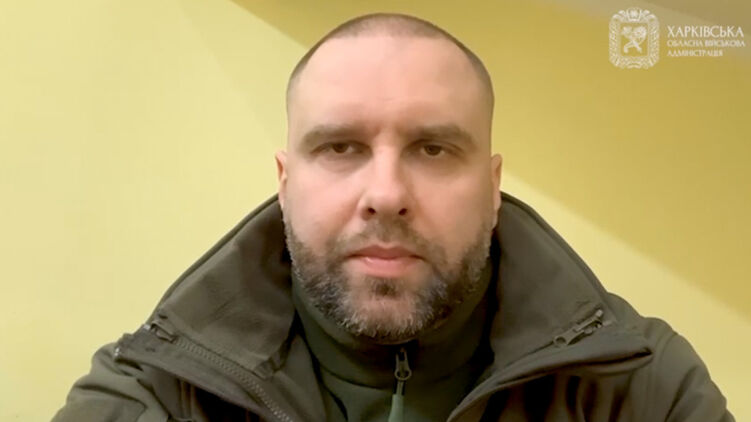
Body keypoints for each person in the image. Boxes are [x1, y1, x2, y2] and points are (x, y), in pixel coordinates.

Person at [52, 13, 733, 422]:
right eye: (340, 147)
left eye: (433, 149)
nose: (385, 193)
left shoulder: (641, 390)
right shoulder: (151, 395)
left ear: (492, 187)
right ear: (285, 184)